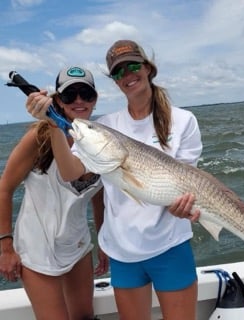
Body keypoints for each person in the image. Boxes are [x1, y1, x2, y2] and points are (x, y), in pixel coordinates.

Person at [26, 41, 203, 320]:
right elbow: (72, 173)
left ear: (147, 68)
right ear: (114, 81)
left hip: (170, 246)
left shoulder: (183, 120)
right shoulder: (104, 126)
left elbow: (189, 184)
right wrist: (52, 125)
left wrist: (186, 205)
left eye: (133, 66)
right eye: (119, 72)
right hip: (122, 253)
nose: (128, 75)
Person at [0, 66, 108, 320]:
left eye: (86, 94)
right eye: (70, 95)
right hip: (37, 250)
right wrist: (5, 247)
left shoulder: (98, 137)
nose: (79, 100)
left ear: (95, 99)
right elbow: (4, 188)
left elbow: (99, 196)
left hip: (78, 245)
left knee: (84, 317)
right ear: (57, 100)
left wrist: (103, 241)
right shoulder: (38, 137)